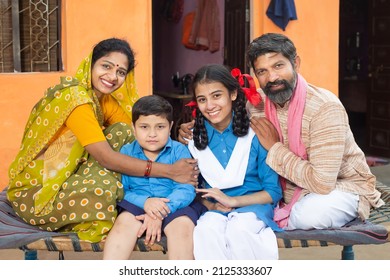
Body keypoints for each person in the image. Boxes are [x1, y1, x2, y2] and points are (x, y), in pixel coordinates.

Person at [179, 33, 384, 230]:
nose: (272, 77)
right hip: (287, 191)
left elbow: (322, 184)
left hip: (339, 187)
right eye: (262, 71)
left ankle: (272, 221)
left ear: (295, 63)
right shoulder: (255, 104)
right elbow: (221, 117)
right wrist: (190, 130)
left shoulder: (325, 108)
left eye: (278, 65)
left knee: (308, 215)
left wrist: (275, 148)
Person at [6, 38, 199, 243]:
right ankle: (143, 203)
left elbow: (143, 134)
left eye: (121, 72)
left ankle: (151, 202)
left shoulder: (104, 100)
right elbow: (106, 158)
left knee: (123, 133)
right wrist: (171, 171)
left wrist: (176, 136)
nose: (112, 76)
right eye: (106, 66)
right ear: (91, 64)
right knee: (105, 192)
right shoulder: (76, 99)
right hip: (39, 193)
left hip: (71, 178)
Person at [186, 64, 282, 260]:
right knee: (205, 231)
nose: (210, 106)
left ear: (233, 94)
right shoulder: (192, 139)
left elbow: (273, 191)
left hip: (253, 207)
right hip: (214, 210)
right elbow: (191, 189)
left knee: (239, 229)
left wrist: (233, 201)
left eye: (216, 95)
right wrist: (211, 206)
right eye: (202, 99)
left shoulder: (256, 133)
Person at [103, 95, 206, 259]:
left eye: (160, 127)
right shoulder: (126, 152)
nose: (152, 134)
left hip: (175, 205)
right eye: (144, 127)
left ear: (170, 126)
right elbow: (122, 189)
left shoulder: (179, 151)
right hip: (136, 203)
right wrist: (145, 203)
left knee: (183, 228)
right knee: (123, 225)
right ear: (133, 128)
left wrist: (161, 211)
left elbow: (187, 188)